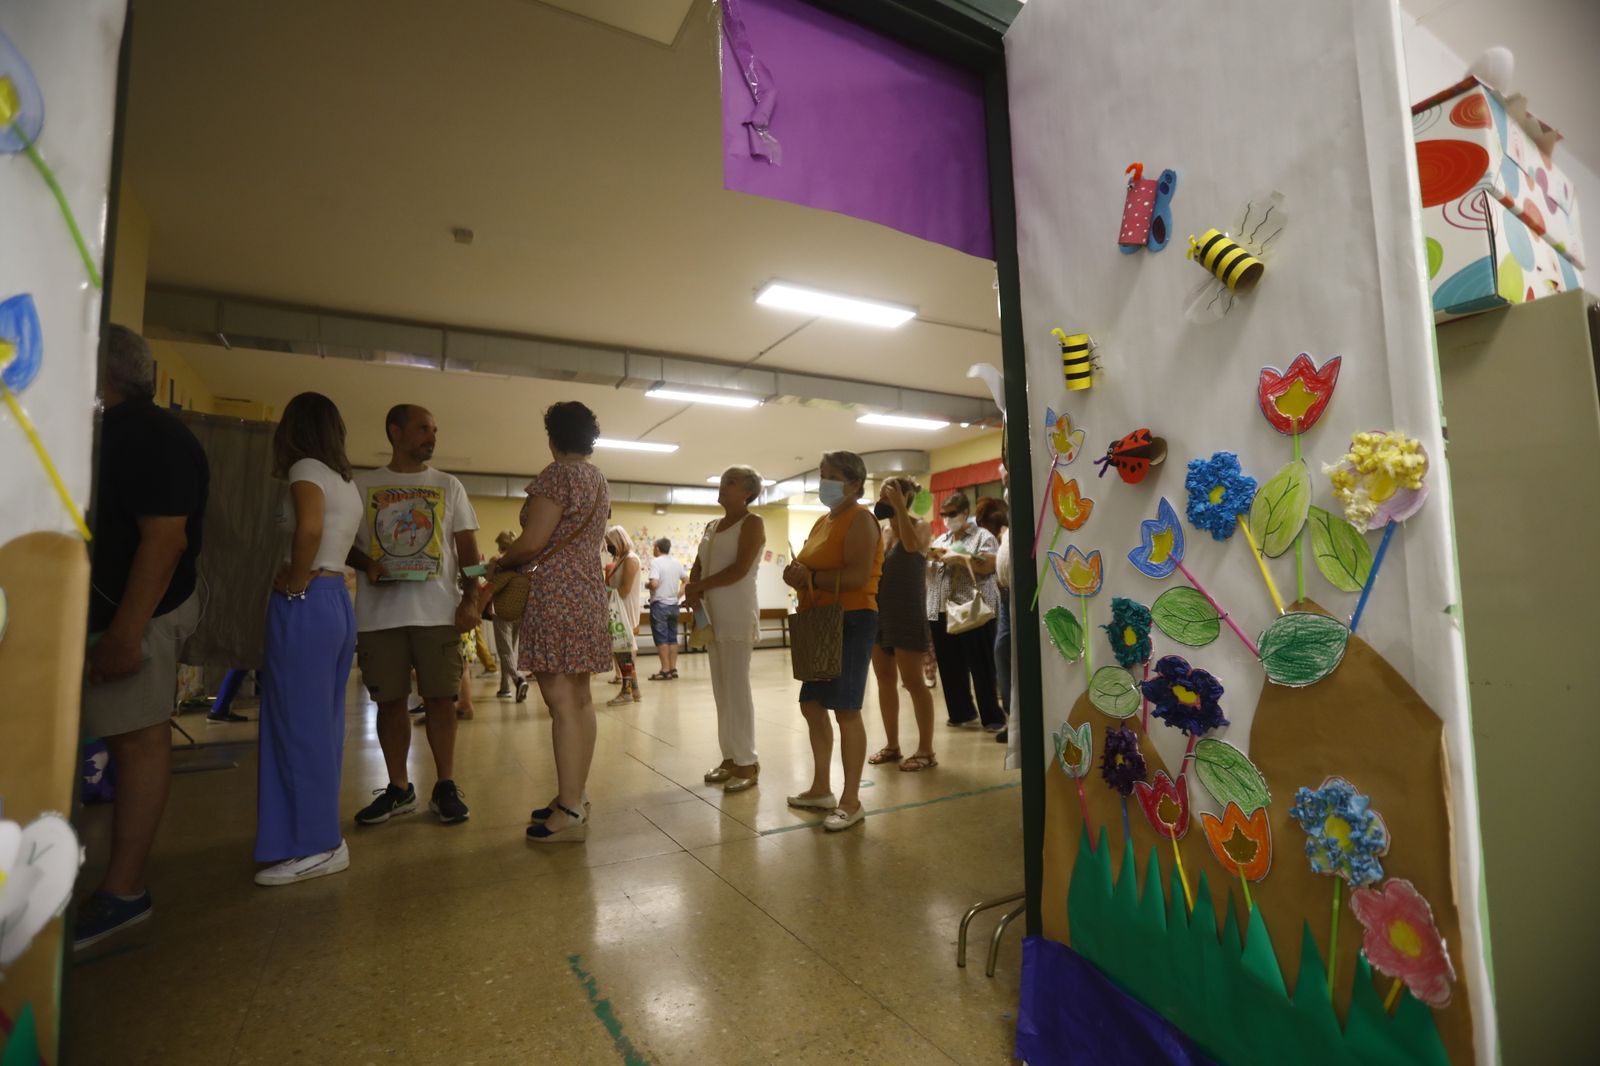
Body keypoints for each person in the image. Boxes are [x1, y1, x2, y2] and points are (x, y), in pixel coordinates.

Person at [74, 325, 210, 948]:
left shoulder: (149, 435)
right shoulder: (120, 431)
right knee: (134, 738)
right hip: (115, 612)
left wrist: (125, 633)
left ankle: (124, 890)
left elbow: (164, 539)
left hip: (139, 615)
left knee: (139, 741)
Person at [347, 404, 481, 827]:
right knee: (389, 704)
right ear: (395, 432)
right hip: (378, 616)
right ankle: (399, 788)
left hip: (438, 613)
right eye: (423, 428)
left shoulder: (448, 485)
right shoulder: (362, 485)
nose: (432, 437)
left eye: (435, 430)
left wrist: (472, 598)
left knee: (441, 700)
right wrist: (366, 562)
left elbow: (470, 553)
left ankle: (445, 785)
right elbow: (343, 540)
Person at [253, 392, 362, 886]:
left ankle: (317, 844)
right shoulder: (344, 480)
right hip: (335, 600)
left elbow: (310, 530)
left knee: (297, 725)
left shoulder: (304, 469)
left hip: (309, 597)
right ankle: (308, 835)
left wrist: (296, 579)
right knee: (319, 724)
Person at [493, 401, 612, 842]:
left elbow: (532, 542)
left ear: (552, 437)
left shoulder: (556, 476)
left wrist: (501, 564)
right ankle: (575, 794)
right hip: (587, 591)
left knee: (561, 704)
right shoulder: (598, 479)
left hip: (556, 594)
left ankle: (568, 807)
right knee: (580, 700)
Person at [784, 451, 883, 832]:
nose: (824, 482)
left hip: (853, 618)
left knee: (846, 709)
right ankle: (821, 788)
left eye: (832, 476)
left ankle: (851, 800)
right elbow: (812, 567)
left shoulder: (861, 519)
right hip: (819, 620)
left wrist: (808, 577)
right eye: (822, 475)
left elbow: (857, 575)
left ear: (855, 483)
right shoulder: (824, 521)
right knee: (812, 704)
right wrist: (799, 575)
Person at [684, 467, 767, 792]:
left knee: (736, 686)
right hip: (711, 614)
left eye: (730, 482)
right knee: (721, 687)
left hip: (736, 611)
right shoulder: (712, 525)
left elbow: (739, 569)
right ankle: (730, 757)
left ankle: (748, 761)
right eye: (722, 480)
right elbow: (700, 563)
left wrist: (701, 584)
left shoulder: (753, 523)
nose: (723, 486)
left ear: (748, 492)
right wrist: (694, 589)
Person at [868, 477, 937, 772]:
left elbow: (910, 546)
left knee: (913, 682)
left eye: (892, 491)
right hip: (880, 612)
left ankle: (926, 750)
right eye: (883, 492)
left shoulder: (920, 526)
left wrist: (898, 506)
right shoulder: (883, 531)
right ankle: (892, 745)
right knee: (885, 680)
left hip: (907, 611)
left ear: (906, 494)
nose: (885, 496)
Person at [926, 491, 1004, 731]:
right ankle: (960, 713)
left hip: (974, 609)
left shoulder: (983, 536)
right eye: (943, 514)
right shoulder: (940, 540)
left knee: (982, 667)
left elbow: (990, 564)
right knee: (950, 667)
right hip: (942, 610)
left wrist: (959, 558)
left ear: (965, 513)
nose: (947, 519)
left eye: (952, 514)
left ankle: (992, 717)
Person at [976, 496, 1012, 744]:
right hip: (1006, 597)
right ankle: (1013, 720)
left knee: (1005, 657)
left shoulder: (1004, 531)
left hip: (1010, 598)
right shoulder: (1002, 533)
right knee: (1002, 656)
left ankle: (1016, 723)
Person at [488, 529, 530, 701]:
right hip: (519, 610)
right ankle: (504, 688)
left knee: (505, 651)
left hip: (501, 610)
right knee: (510, 650)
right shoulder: (521, 560)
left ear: (500, 544)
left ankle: (519, 679)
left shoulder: (496, 560)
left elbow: (489, 581)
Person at [604, 525, 644, 706]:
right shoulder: (621, 558)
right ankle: (634, 689)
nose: (608, 546)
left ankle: (627, 691)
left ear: (619, 540)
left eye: (610, 543)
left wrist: (605, 589)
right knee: (622, 649)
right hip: (618, 609)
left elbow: (625, 589)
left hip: (624, 609)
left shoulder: (630, 560)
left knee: (623, 650)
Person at [645, 538, 686, 681]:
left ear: (657, 548)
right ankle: (673, 669)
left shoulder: (656, 562)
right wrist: (679, 594)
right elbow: (686, 580)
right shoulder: (676, 563)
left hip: (660, 605)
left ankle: (665, 670)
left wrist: (647, 585)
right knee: (672, 637)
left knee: (661, 638)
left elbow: (654, 583)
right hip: (674, 605)